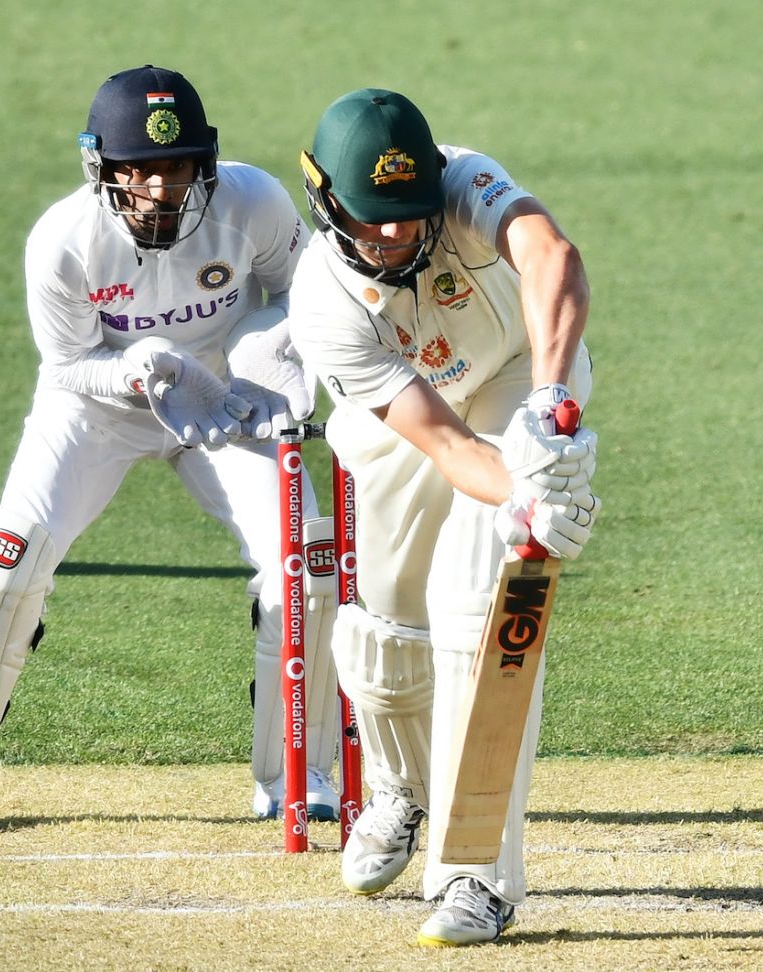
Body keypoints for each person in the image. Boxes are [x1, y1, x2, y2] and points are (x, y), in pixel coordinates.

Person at [0, 65, 343, 830]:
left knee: (301, 564)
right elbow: (65, 365)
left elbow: (312, 291)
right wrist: (134, 372)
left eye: (179, 167)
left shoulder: (254, 202)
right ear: (103, 169)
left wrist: (262, 355)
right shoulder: (62, 241)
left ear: (206, 164)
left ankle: (302, 770)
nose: (163, 188)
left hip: (224, 403)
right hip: (98, 404)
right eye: (144, 170)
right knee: (10, 550)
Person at [287, 88, 600, 946]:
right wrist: (530, 495)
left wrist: (546, 404)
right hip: (408, 421)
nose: (394, 234)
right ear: (325, 199)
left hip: (511, 380)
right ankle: (400, 790)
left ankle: (477, 878)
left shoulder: (463, 183)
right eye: (372, 218)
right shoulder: (322, 302)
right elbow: (449, 449)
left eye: (408, 213)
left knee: (475, 604)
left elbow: (552, 256)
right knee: (388, 630)